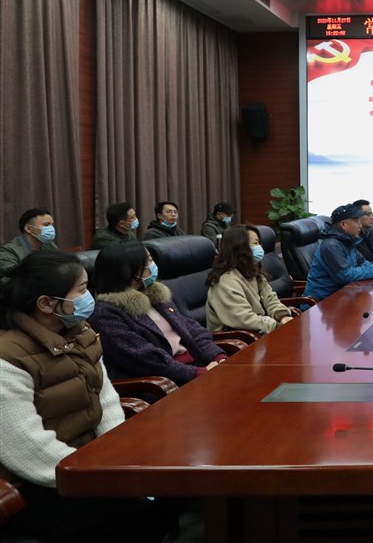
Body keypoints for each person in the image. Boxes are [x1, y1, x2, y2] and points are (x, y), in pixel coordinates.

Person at [0, 251, 169, 542]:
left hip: (89, 461)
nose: (89, 297)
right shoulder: (9, 358)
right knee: (130, 508)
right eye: (81, 290)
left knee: (169, 477)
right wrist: (100, 475)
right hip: (38, 481)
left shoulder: (79, 332)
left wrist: (118, 453)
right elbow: (25, 448)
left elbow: (105, 397)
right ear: (46, 303)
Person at [90, 242, 226, 386]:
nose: (153, 264)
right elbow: (145, 358)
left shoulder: (154, 294)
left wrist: (217, 356)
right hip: (165, 384)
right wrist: (198, 373)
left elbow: (190, 327)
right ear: (130, 270)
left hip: (198, 367)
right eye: (148, 261)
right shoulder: (106, 314)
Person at [206, 225, 293, 335]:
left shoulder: (252, 271)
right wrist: (276, 326)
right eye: (255, 243)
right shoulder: (226, 281)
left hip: (257, 332)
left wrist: (283, 316)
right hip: (237, 338)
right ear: (240, 248)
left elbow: (270, 299)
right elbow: (243, 319)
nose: (260, 247)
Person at [303, 205, 373, 302]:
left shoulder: (347, 241)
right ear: (343, 224)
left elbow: (362, 262)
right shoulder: (331, 246)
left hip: (342, 297)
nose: (360, 226)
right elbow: (346, 275)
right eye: (356, 221)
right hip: (321, 302)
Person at [0, 208, 58, 284]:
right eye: (46, 225)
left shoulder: (49, 245)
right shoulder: (9, 251)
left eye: (52, 225)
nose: (51, 228)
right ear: (28, 229)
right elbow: (7, 282)